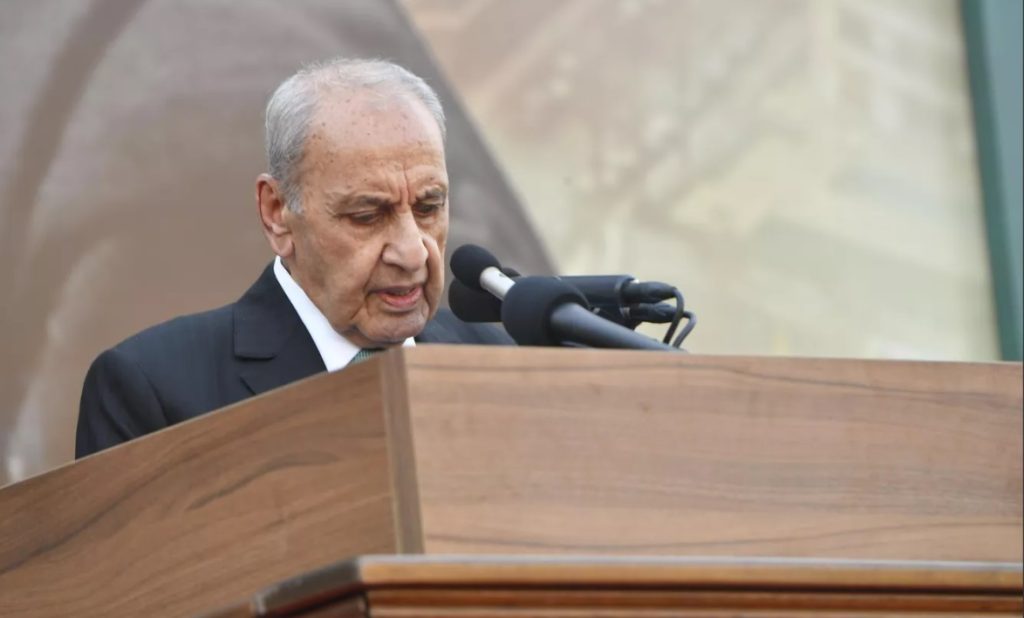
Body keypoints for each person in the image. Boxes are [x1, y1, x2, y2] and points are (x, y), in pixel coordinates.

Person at [75, 58, 512, 458]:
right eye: (366, 216)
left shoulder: (500, 362)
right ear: (277, 213)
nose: (412, 251)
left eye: (429, 207)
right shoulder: (153, 390)